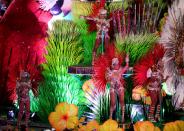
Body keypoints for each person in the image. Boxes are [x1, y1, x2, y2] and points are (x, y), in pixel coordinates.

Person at [105, 54, 129, 123]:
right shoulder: (109, 72)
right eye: (116, 64)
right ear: (113, 65)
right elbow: (107, 80)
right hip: (113, 88)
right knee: (113, 103)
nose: (118, 65)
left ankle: (123, 117)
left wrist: (127, 60)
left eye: (118, 63)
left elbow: (126, 67)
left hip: (120, 87)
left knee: (122, 102)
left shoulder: (120, 70)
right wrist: (111, 81)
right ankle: (110, 117)